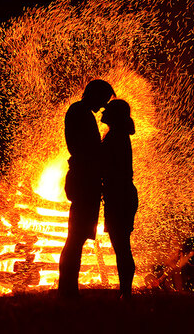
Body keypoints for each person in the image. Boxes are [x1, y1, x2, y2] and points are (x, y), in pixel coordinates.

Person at [58, 79, 115, 298]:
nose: (102, 106)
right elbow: (88, 149)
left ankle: (69, 288)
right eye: (102, 100)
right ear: (94, 94)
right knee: (76, 237)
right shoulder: (80, 112)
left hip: (84, 179)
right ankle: (68, 290)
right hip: (83, 180)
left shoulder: (81, 111)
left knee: (77, 236)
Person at [100, 99, 139, 299]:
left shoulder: (116, 136)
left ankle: (126, 292)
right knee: (121, 245)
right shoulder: (118, 135)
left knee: (122, 246)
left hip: (120, 196)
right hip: (121, 194)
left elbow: (108, 166)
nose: (102, 112)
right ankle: (125, 292)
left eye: (107, 110)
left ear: (114, 115)